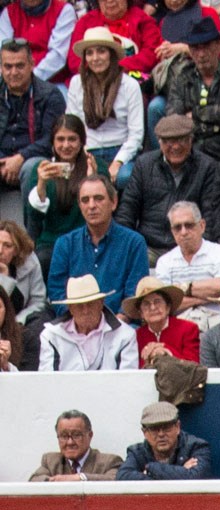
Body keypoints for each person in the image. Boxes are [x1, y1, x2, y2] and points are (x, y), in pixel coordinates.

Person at [116, 114, 220, 256]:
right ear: (159, 142)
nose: (175, 146)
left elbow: (210, 217)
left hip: (191, 248)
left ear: (191, 140)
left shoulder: (207, 167)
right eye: (169, 141)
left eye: (181, 140)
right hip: (150, 247)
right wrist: (127, 246)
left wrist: (198, 250)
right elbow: (127, 211)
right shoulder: (144, 165)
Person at [46, 171, 146, 308]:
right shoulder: (65, 244)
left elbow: (134, 295)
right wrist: (76, 322)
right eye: (85, 200)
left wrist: (120, 321)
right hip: (73, 323)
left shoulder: (134, 243)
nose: (91, 205)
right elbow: (56, 294)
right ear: (80, 206)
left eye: (98, 198)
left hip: (119, 324)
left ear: (114, 202)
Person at [161, 19, 220, 161]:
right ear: (190, 50)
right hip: (191, 152)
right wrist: (219, 117)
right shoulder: (182, 77)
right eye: (195, 48)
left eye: (206, 46)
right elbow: (176, 122)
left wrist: (195, 114)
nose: (201, 54)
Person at [64, 23, 142, 181]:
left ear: (111, 54)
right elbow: (73, 125)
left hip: (120, 150)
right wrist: (83, 157)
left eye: (101, 51)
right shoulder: (77, 83)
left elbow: (136, 134)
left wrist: (117, 163)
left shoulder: (129, 85)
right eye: (90, 53)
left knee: (124, 176)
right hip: (88, 150)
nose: (95, 58)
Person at [22, 110, 94, 269]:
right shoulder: (41, 169)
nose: (66, 145)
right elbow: (34, 219)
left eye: (72, 139)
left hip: (87, 239)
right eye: (60, 139)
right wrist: (41, 184)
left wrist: (92, 180)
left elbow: (101, 210)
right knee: (43, 259)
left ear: (82, 141)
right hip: (51, 241)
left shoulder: (95, 166)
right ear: (53, 142)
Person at [1, 38, 64, 194]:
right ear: (1, 68)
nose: (13, 72)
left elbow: (53, 139)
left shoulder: (50, 95)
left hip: (35, 158)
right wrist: (3, 163)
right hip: (3, 159)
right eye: (8, 67)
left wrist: (21, 157)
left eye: (20, 66)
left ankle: (33, 219)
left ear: (32, 64)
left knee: (31, 169)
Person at [116, 396, 213, 477]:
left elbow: (196, 477)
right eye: (154, 429)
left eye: (166, 428)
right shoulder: (136, 452)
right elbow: (123, 477)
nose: (161, 434)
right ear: (145, 432)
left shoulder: (196, 447)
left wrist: (150, 469)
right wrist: (181, 471)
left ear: (177, 427)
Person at [121, 267, 201, 358]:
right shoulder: (136, 336)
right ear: (141, 313)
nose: (153, 307)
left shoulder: (188, 329)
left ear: (168, 306)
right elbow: (135, 368)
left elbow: (193, 365)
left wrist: (165, 351)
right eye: (146, 304)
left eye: (157, 301)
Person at [29, 405, 122, 477]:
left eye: (76, 435)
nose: (70, 442)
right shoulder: (50, 461)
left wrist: (81, 477)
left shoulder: (109, 462)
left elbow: (114, 479)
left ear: (90, 435)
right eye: (64, 436)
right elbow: (35, 480)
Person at [0, 216, 45, 327]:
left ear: (16, 250)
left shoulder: (30, 262)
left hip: (21, 323)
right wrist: (4, 279)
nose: (0, 251)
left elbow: (38, 302)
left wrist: (20, 320)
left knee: (41, 321)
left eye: (7, 246)